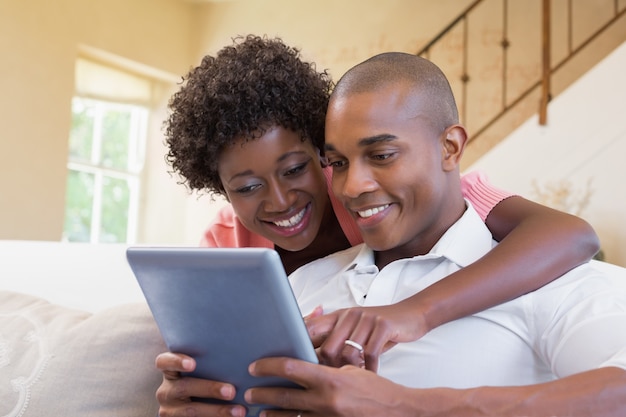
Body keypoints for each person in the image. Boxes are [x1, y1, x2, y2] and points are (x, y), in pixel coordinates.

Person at [156, 36, 601, 415]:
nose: (279, 201)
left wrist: (413, 314)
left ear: (317, 159)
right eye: (248, 187)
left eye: (295, 170)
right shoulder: (232, 247)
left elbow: (569, 234)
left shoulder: (389, 199)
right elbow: (232, 362)